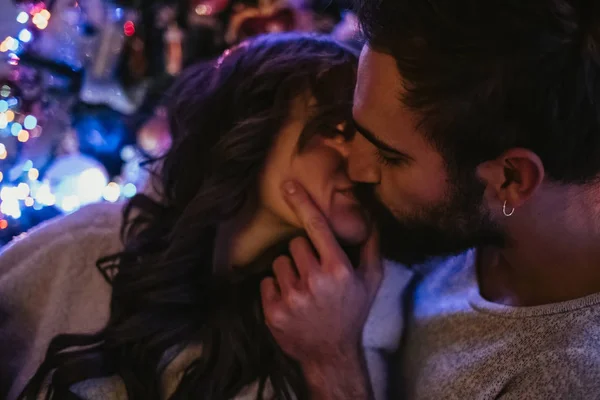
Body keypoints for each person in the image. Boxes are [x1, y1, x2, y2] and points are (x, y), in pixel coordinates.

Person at [0, 33, 411, 400]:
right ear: (253, 124)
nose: (362, 164)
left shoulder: (362, 323)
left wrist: (333, 360)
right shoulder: (91, 244)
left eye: (372, 145)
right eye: (336, 129)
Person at [261, 1, 600, 399]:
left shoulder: (565, 378)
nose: (355, 169)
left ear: (510, 179)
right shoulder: (475, 211)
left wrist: (331, 364)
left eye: (389, 156)